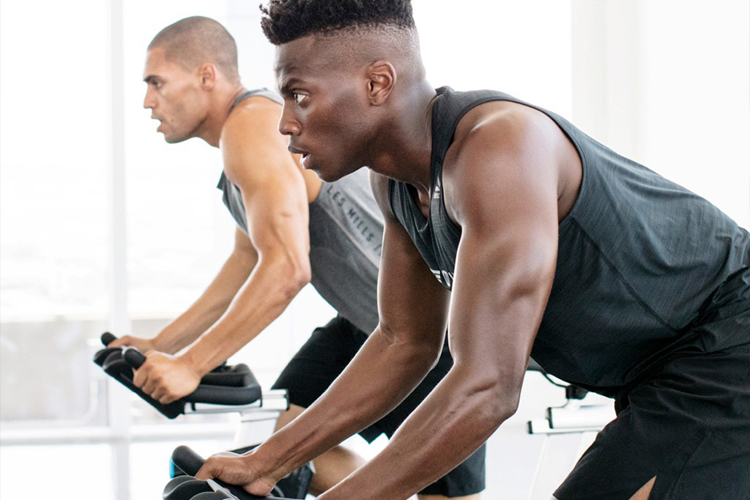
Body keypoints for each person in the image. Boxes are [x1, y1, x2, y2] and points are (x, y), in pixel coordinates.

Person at [192, 2, 750, 500]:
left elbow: (487, 384)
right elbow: (403, 343)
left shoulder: (497, 151)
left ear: (377, 83)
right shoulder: (400, 185)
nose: (285, 123)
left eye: (300, 95)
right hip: (664, 371)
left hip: (729, 343)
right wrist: (265, 462)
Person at [109, 16, 485, 500]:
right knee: (287, 431)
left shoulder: (251, 128)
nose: (147, 101)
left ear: (207, 77)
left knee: (440, 492)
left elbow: (286, 269)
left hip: (431, 327)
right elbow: (247, 263)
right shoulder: (245, 141)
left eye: (156, 83)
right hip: (367, 321)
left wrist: (192, 365)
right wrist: (165, 346)